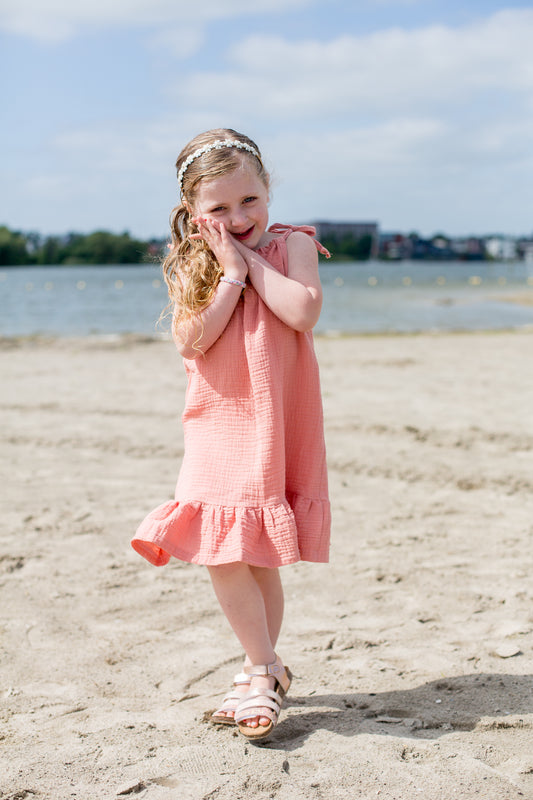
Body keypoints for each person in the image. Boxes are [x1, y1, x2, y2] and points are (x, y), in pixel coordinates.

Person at [132, 128, 331, 741]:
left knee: (254, 551)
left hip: (276, 416)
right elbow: (191, 342)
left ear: (268, 191)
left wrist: (250, 261)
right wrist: (229, 274)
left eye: (250, 201)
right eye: (220, 208)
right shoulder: (196, 260)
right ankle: (265, 667)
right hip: (218, 419)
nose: (238, 216)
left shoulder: (293, 244)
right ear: (196, 213)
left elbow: (301, 312)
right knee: (222, 549)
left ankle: (258, 671)